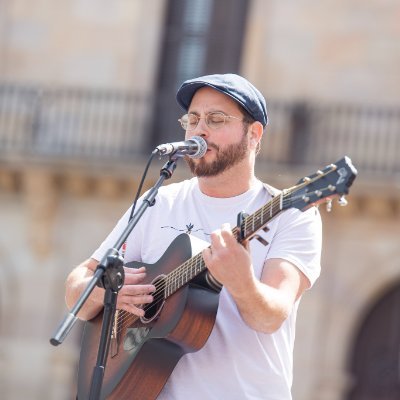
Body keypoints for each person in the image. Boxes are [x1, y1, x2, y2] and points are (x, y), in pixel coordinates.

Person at [65, 73, 322, 400]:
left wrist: (240, 280)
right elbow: (76, 286)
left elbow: (272, 316)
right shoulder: (160, 201)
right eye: (193, 119)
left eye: (216, 119)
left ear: (254, 134)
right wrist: (105, 292)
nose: (200, 129)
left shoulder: (291, 214)